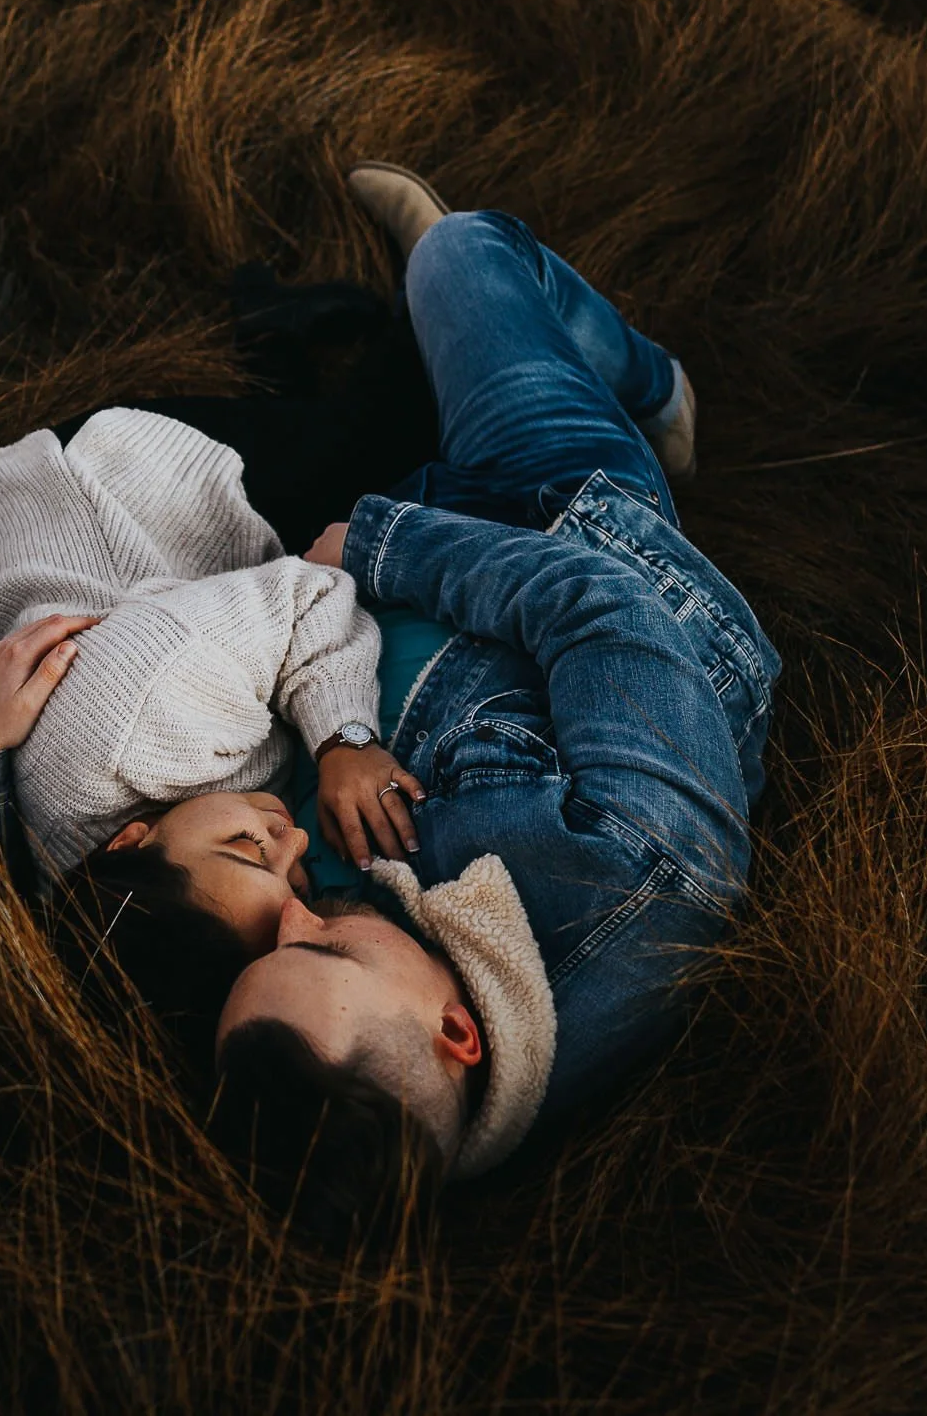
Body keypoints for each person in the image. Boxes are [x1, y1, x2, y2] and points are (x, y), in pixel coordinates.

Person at [206, 166, 780, 1242]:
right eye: (319, 947)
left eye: (267, 953)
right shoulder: (639, 878)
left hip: (383, 563)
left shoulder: (329, 1060)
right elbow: (599, 607)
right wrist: (382, 546)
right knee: (463, 252)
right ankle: (655, 390)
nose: (286, 910)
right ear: (458, 1033)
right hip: (551, 515)